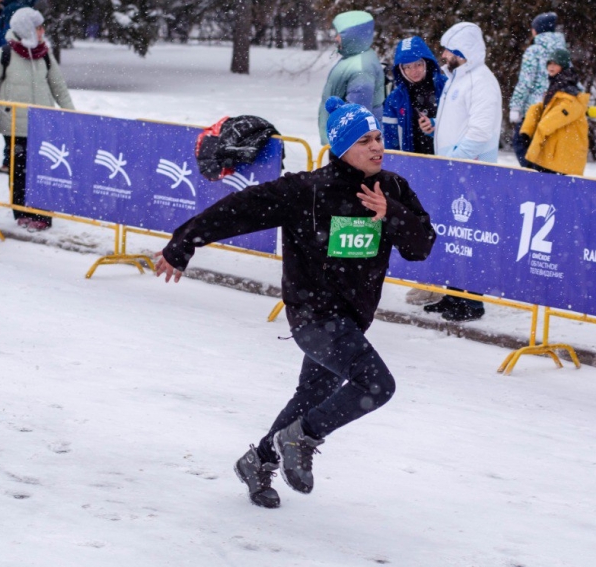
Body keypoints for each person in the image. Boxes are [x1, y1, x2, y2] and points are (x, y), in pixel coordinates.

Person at [154, 97, 436, 509]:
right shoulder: (308, 190)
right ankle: (302, 438)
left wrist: (389, 213)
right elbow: (237, 210)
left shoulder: (390, 188)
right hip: (313, 317)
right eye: (364, 140)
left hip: (352, 320)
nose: (377, 147)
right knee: (376, 386)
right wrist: (183, 243)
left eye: (378, 137)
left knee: (310, 398)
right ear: (340, 148)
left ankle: (258, 460)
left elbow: (421, 247)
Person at [0, 8, 74, 232]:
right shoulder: (5, 53)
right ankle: (21, 211)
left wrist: (71, 113)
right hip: (14, 124)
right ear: (27, 29)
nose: (43, 31)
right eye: (38, 27)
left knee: (42, 172)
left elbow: (58, 87)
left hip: (42, 126)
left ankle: (42, 214)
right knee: (19, 170)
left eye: (42, 27)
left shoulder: (45, 54)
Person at [418, 21, 501, 323]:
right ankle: (454, 295)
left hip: (473, 174)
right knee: (455, 236)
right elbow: (461, 125)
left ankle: (472, 302)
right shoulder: (458, 78)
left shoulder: (482, 82)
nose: (442, 54)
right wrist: (435, 129)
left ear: (462, 52)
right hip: (455, 171)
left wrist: (452, 160)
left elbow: (479, 132)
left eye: (447, 50)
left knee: (471, 237)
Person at [317, 10, 385, 147]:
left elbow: (355, 115)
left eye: (340, 34)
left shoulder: (361, 68)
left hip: (349, 146)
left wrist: (345, 145)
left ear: (353, 35)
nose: (336, 38)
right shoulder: (354, 58)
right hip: (343, 143)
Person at [518, 48, 590, 177]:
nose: (551, 67)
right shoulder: (556, 86)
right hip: (554, 157)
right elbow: (545, 109)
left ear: (563, 66)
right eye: (549, 63)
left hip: (562, 161)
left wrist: (530, 156)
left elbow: (548, 124)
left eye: (555, 64)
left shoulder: (570, 96)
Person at [508, 12, 566, 168]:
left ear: (537, 30)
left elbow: (525, 81)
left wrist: (515, 106)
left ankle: (532, 179)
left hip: (533, 109)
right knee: (544, 151)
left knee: (522, 144)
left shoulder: (534, 51)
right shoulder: (563, 52)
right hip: (556, 109)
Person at [0, 0, 40, 173]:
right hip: (4, 64)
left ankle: (14, 161)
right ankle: (14, 159)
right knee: (9, 113)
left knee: (10, 113)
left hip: (6, 66)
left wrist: (1, 59)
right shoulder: (10, 7)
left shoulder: (15, 7)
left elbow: (9, 35)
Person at [382, 36, 446, 155]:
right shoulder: (395, 99)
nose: (414, 71)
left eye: (418, 65)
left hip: (448, 160)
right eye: (407, 67)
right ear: (400, 69)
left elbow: (461, 121)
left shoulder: (446, 86)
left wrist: (436, 124)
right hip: (411, 164)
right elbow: (391, 139)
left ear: (426, 62)